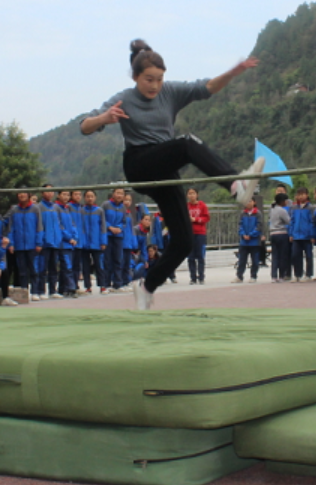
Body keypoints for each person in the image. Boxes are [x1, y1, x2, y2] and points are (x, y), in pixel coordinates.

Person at [80, 40, 263, 310]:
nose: (154, 85)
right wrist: (104, 118)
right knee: (187, 143)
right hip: (140, 164)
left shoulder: (170, 92)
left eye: (159, 79)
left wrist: (232, 73)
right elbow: (84, 126)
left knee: (184, 241)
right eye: (148, 79)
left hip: (165, 168)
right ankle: (236, 185)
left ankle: (146, 287)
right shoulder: (125, 98)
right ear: (135, 77)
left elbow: (207, 88)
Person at [5, 191, 42, 300]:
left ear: (29, 195)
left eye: (24, 194)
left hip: (32, 244)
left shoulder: (35, 209)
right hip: (19, 245)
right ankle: (24, 292)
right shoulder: (14, 210)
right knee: (22, 271)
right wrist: (11, 244)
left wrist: (39, 242)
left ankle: (35, 292)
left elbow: (39, 227)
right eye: (20, 194)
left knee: (34, 269)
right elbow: (10, 228)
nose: (22, 196)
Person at [77, 190, 107, 294]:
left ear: (95, 198)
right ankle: (87, 286)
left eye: (92, 196)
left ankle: (102, 285)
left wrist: (103, 241)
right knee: (85, 266)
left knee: (99, 265)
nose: (90, 198)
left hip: (97, 242)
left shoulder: (99, 211)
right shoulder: (81, 210)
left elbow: (103, 227)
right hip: (84, 243)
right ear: (84, 198)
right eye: (88, 196)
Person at [288, 188, 314, 282]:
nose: (301, 196)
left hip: (307, 236)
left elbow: (312, 222)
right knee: (295, 255)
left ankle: (308, 274)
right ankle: (297, 274)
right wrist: (291, 234)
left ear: (307, 195)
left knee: (308, 256)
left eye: (303, 194)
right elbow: (292, 221)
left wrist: (312, 235)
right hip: (296, 236)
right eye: (299, 194)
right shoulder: (294, 208)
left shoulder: (310, 208)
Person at [185, 188, 210, 285]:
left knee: (200, 256)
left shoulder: (202, 205)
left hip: (200, 233)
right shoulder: (186, 206)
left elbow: (206, 217)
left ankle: (201, 277)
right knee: (190, 257)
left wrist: (195, 219)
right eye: (189, 193)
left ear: (197, 195)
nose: (191, 195)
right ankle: (193, 277)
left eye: (193, 193)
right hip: (189, 234)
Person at [233, 199, 262, 283]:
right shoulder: (243, 213)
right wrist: (243, 234)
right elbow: (240, 225)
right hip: (244, 241)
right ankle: (239, 276)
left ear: (254, 202)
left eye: (250, 201)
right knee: (242, 260)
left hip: (254, 241)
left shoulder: (258, 213)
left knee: (255, 260)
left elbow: (259, 226)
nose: (248, 203)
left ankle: (253, 276)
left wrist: (251, 234)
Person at [268, 192, 291, 282]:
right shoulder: (282, 210)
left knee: (275, 256)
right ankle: (281, 275)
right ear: (282, 201)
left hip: (273, 233)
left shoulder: (272, 209)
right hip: (281, 233)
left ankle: (274, 276)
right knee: (282, 256)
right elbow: (288, 221)